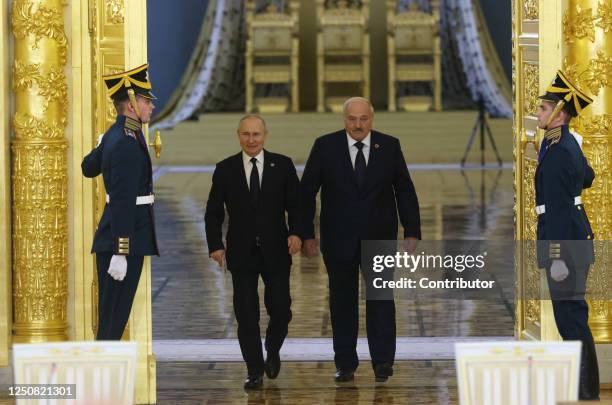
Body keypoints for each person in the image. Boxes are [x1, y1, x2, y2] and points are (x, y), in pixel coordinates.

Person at [300, 97, 421, 383]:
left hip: (379, 237)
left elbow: (404, 189)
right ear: (344, 119)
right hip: (338, 238)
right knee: (342, 301)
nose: (358, 124)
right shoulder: (325, 146)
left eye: (363, 118)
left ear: (372, 119)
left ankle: (382, 362)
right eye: (352, 119)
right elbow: (306, 193)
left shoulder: (389, 146)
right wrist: (306, 233)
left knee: (380, 298)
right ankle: (345, 363)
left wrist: (412, 230)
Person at [204, 115, 301, 390]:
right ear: (238, 135)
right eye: (246, 134)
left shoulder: (282, 165)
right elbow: (213, 212)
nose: (251, 139)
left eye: (256, 134)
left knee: (281, 310)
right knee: (246, 315)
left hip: (277, 251)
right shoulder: (225, 169)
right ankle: (254, 370)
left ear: (265, 135)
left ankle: (272, 349)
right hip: (241, 252)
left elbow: (297, 206)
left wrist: (296, 232)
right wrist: (215, 245)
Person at [81, 64, 159, 340]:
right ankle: (101, 381)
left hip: (119, 235)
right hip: (123, 238)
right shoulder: (126, 141)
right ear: (130, 105)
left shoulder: (119, 134)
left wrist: (102, 144)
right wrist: (121, 250)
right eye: (146, 101)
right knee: (113, 322)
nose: (151, 107)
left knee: (113, 317)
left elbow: (88, 167)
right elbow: (124, 199)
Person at [535, 70, 598, 400]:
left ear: (560, 113)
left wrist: (556, 256)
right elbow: (588, 177)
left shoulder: (559, 151)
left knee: (571, 320)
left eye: (544, 109)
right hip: (575, 237)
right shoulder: (565, 143)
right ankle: (582, 387)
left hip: (565, 243)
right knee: (572, 317)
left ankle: (584, 390)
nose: (538, 113)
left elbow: (558, 211)